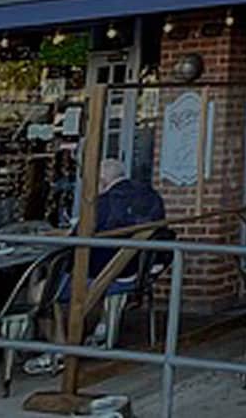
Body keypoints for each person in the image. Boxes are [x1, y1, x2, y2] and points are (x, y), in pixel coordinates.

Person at [26, 159, 167, 376]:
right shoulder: (151, 196)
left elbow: (76, 242)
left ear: (101, 180)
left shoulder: (101, 204)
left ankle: (58, 350)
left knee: (41, 291)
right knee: (77, 276)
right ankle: (96, 333)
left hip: (108, 276)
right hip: (138, 272)